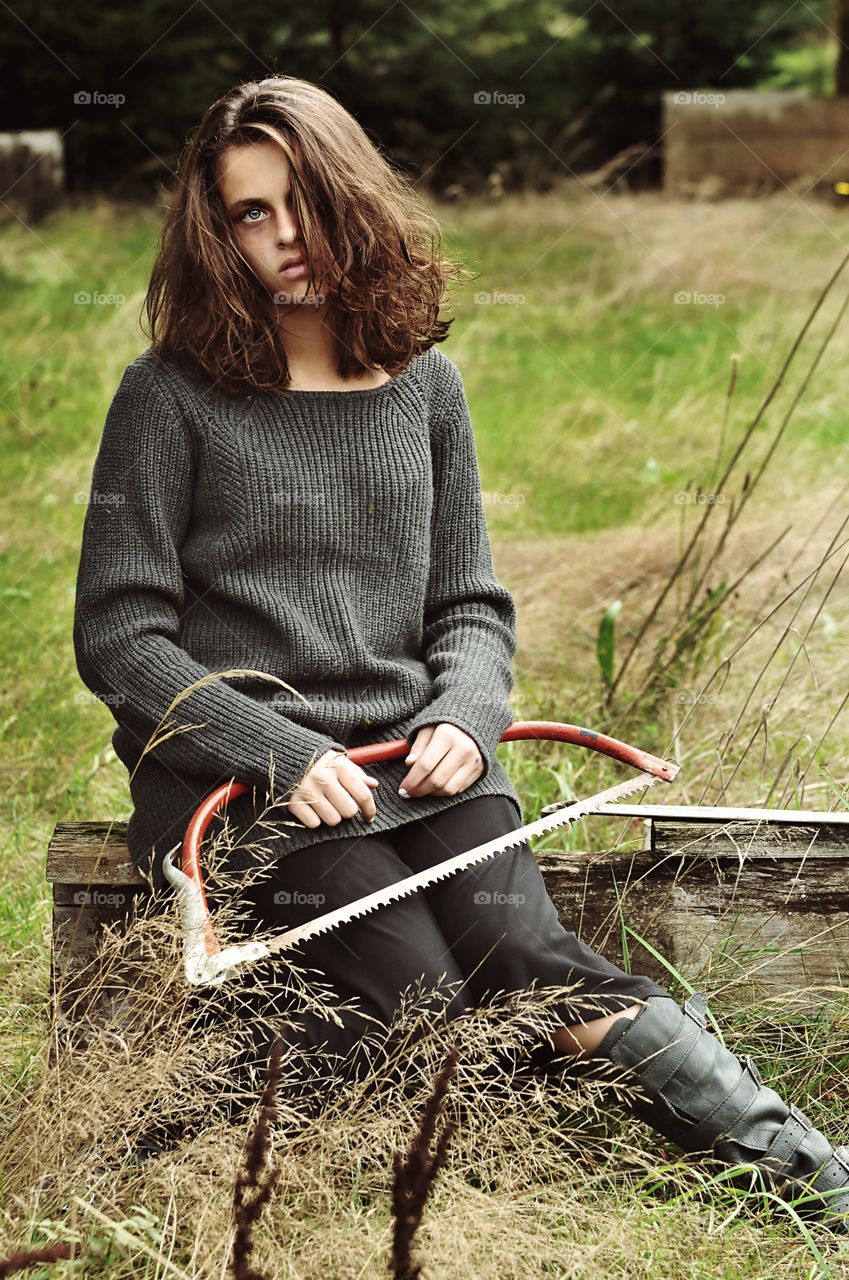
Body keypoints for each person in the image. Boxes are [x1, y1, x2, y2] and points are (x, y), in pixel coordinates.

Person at [72, 75, 848, 1227]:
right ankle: (215, 1122)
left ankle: (819, 1185)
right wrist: (283, 751)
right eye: (250, 213)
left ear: (352, 197)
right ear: (216, 233)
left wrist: (466, 714)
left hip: (419, 763)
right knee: (429, 995)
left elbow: (471, 605)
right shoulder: (167, 398)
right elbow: (120, 635)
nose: (288, 238)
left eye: (306, 201)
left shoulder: (425, 387)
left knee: (536, 957)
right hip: (247, 791)